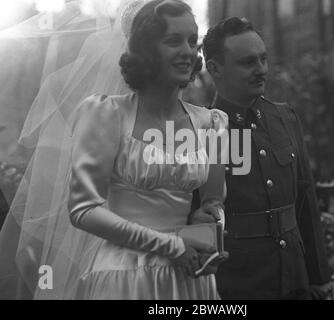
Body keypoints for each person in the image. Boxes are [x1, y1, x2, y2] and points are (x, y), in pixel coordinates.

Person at [0, 0, 228, 300]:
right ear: (145, 50)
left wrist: (210, 227)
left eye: (190, 39)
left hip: (191, 278)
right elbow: (84, 210)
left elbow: (213, 202)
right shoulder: (106, 114)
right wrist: (172, 246)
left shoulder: (211, 123)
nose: (187, 50)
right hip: (125, 276)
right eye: (173, 41)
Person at [197, 17, 332, 299]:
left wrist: (318, 276)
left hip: (295, 276)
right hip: (238, 283)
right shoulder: (202, 131)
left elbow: (306, 201)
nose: (261, 70)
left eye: (263, 59)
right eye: (248, 62)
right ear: (215, 69)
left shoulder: (285, 118)